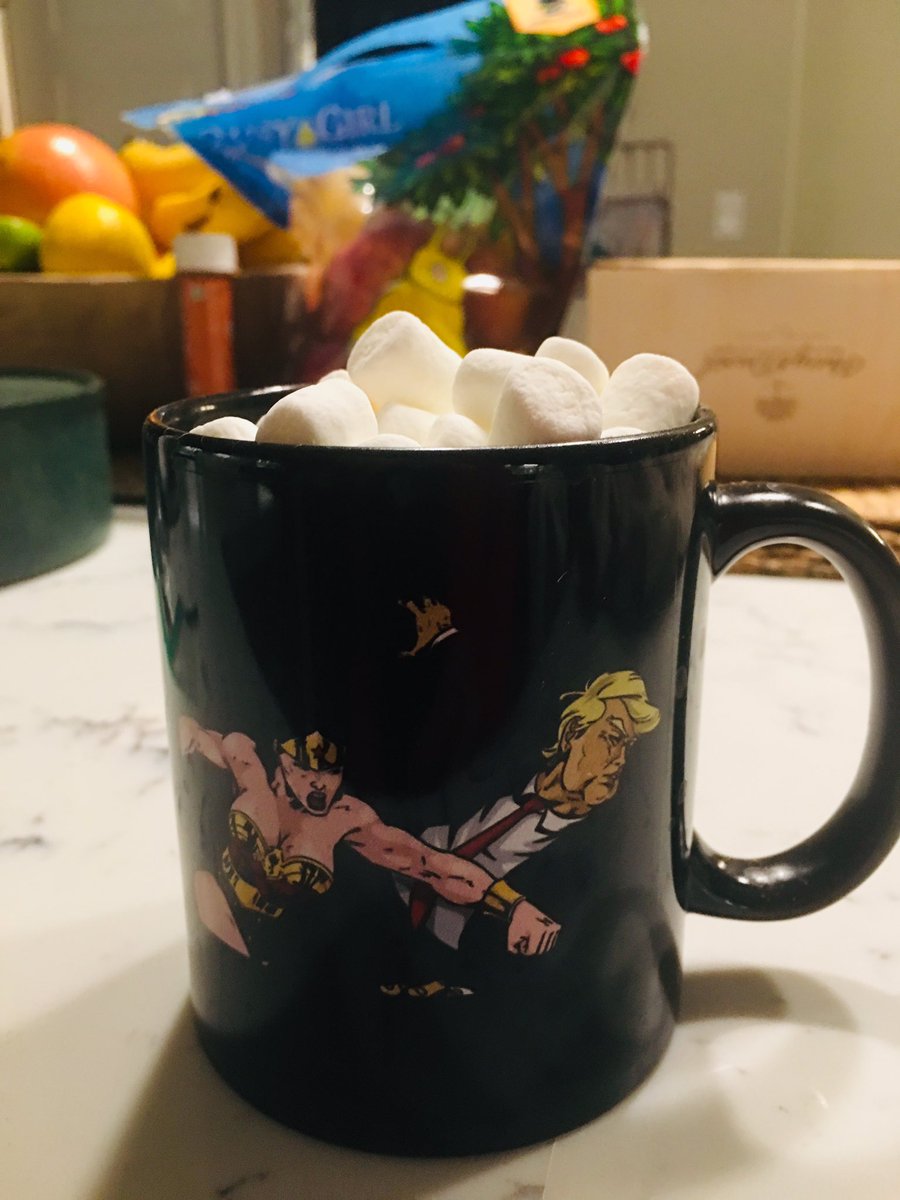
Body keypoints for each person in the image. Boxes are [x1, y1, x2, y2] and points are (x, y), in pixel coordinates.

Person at [179, 719, 559, 959]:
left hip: (283, 956)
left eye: (330, 772)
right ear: (283, 761)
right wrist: (189, 733)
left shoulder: (347, 818)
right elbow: (196, 731)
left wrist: (514, 906)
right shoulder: (248, 768)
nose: (319, 783)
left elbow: (430, 865)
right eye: (305, 769)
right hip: (215, 919)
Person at [396, 670, 660, 950]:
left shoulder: (603, 856)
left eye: (628, 746)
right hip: (386, 916)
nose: (620, 760)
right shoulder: (497, 766)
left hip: (465, 963)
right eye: (612, 739)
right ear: (573, 732)